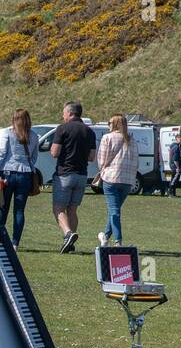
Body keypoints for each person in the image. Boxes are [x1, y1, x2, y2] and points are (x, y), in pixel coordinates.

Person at [0, 109, 39, 249]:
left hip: (8, 173)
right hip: (25, 175)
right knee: (19, 211)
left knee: (3, 207)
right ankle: (15, 242)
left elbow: (1, 153)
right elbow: (34, 157)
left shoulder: (8, 133)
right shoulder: (34, 136)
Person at [50, 101, 95, 253]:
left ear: (69, 113)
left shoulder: (62, 128)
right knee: (73, 210)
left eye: (63, 113)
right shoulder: (90, 132)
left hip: (64, 174)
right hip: (82, 174)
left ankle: (68, 234)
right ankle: (70, 245)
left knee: (58, 208)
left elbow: (55, 152)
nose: (62, 116)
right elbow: (91, 157)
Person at [95, 113, 136, 246]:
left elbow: (101, 160)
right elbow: (136, 161)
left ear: (114, 124)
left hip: (111, 178)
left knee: (114, 211)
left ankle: (118, 240)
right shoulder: (132, 140)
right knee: (115, 210)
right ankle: (105, 236)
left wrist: (103, 170)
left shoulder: (107, 138)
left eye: (109, 123)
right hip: (127, 180)